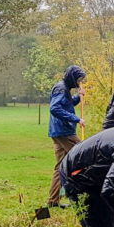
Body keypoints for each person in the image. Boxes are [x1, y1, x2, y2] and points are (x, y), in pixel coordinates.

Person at [47, 65, 86, 207]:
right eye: (78, 79)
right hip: (64, 132)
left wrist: (78, 97)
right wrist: (77, 119)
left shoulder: (65, 88)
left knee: (60, 167)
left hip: (58, 132)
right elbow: (55, 108)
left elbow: (66, 105)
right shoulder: (61, 88)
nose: (79, 82)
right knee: (84, 156)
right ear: (72, 78)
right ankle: (81, 197)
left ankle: (53, 202)